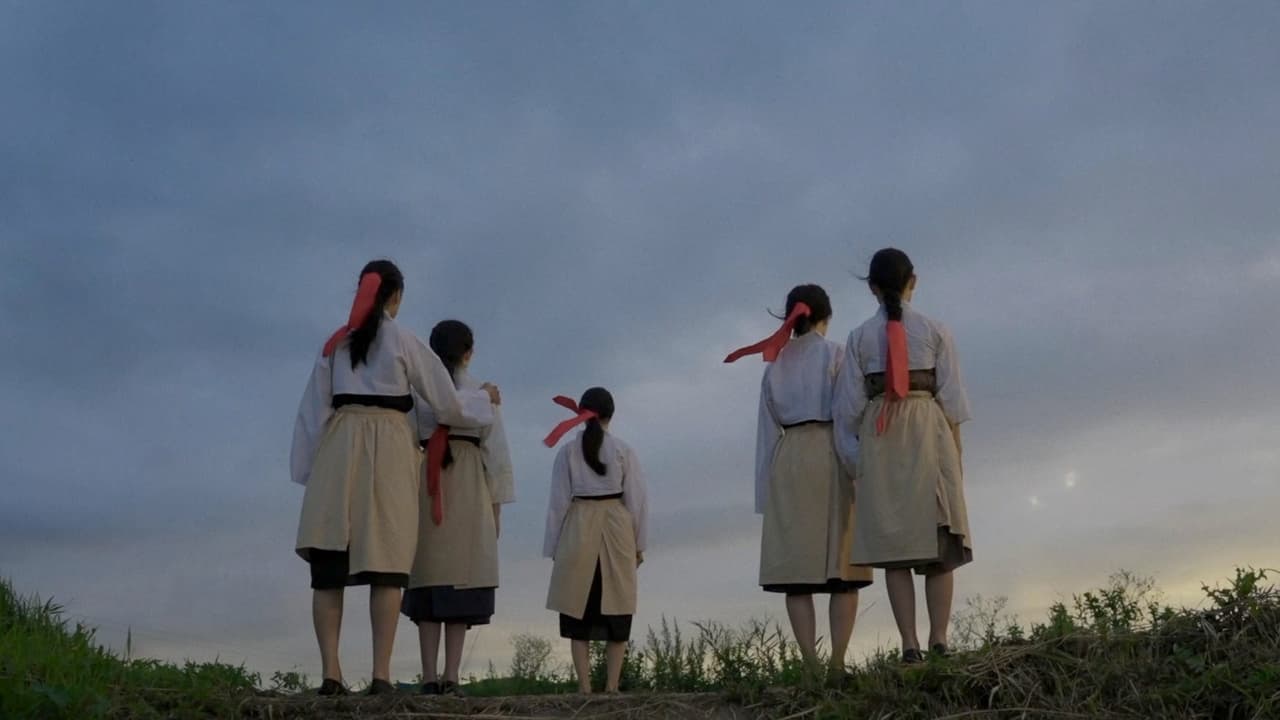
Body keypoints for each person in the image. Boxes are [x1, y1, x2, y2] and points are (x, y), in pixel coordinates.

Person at [290, 260, 501, 696]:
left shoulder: (334, 344)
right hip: (389, 448)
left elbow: (313, 413)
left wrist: (311, 473)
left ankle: (332, 673)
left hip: (338, 448)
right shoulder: (406, 342)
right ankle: (382, 675)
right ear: (396, 297)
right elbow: (446, 406)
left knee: (330, 567)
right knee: (386, 564)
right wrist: (484, 400)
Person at [725, 284, 873, 682]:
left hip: (788, 459)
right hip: (832, 453)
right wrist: (860, 467)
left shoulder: (775, 365)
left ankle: (810, 666)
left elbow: (765, 433)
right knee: (843, 568)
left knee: (796, 571)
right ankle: (838, 663)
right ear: (826, 316)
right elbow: (849, 414)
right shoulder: (837, 353)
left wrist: (764, 495)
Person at [832, 248, 973, 664]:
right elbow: (952, 400)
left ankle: (909, 643)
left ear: (872, 288)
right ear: (914, 280)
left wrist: (858, 464)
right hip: (929, 432)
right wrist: (956, 458)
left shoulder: (858, 338)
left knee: (895, 545)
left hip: (882, 437)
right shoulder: (935, 330)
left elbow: (847, 411)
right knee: (938, 544)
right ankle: (940, 638)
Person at [402, 320, 514, 696]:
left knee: (431, 580)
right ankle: (451, 676)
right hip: (467, 481)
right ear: (469, 352)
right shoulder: (482, 395)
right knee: (456, 579)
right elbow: (496, 454)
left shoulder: (420, 391)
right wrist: (496, 505)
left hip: (428, 482)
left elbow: (410, 432)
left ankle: (430, 677)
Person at [541, 388, 648, 694]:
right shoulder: (623, 450)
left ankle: (585, 687)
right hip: (616, 527)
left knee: (579, 609)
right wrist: (639, 545)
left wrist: (554, 548)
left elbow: (557, 504)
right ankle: (612, 687)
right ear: (610, 415)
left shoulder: (567, 452)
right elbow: (637, 501)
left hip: (578, 526)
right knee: (618, 607)